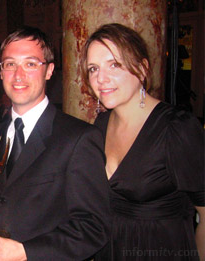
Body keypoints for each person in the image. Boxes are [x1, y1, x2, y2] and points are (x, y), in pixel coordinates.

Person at [0, 26, 111, 260]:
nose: (18, 75)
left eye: (30, 64)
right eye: (10, 64)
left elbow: (93, 228)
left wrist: (24, 252)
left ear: (49, 70)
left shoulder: (78, 138)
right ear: (0, 72)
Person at [80, 23, 204, 260]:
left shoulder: (176, 128)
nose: (101, 79)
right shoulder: (100, 125)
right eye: (93, 68)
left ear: (142, 68)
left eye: (114, 64)